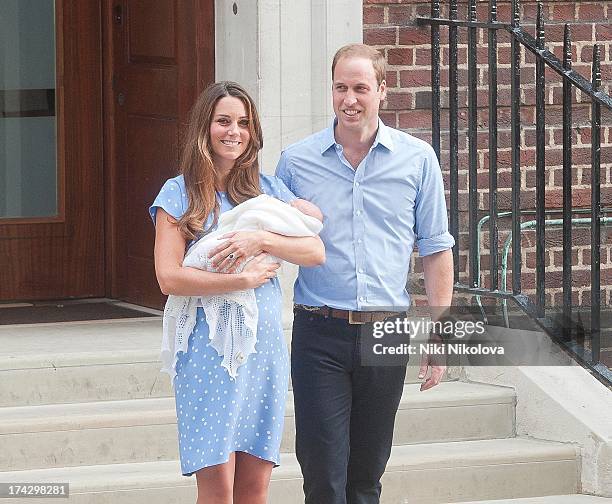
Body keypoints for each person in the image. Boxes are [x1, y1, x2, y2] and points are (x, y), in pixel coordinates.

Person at [275, 44, 455, 504]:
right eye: (340, 88)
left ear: (382, 90)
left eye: (360, 88)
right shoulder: (296, 162)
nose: (349, 99)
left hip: (385, 331)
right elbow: (275, 242)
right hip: (319, 330)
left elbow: (436, 250)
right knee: (322, 473)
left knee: (366, 476)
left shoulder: (417, 160)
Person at [150, 81, 325, 504]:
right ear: (204, 128)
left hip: (262, 351)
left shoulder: (268, 191)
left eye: (244, 123)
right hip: (207, 352)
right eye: (223, 121)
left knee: (255, 486)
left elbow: (314, 250)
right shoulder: (180, 193)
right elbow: (168, 278)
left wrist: (260, 242)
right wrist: (239, 280)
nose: (235, 131)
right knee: (217, 488)